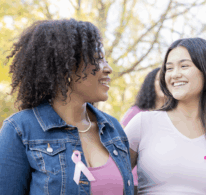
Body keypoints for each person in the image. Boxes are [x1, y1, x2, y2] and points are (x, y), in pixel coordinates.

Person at [0, 19, 134, 195]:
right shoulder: (21, 130)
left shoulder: (112, 128)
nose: (108, 69)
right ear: (67, 67)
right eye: (98, 59)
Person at [124, 38, 206, 194]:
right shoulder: (143, 123)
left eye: (184, 66)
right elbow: (110, 181)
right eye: (169, 68)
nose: (174, 75)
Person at [120, 67, 165, 194]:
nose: (163, 83)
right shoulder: (136, 113)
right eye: (158, 79)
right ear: (151, 83)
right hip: (135, 184)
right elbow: (121, 147)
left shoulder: (177, 117)